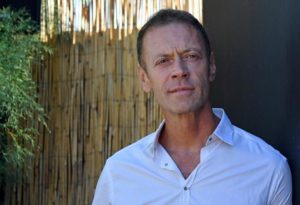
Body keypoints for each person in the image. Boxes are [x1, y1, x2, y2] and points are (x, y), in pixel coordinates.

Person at [92, 9, 292, 205]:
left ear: (211, 65)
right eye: (163, 61)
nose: (179, 70)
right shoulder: (118, 174)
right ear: (144, 79)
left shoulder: (268, 168)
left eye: (190, 56)